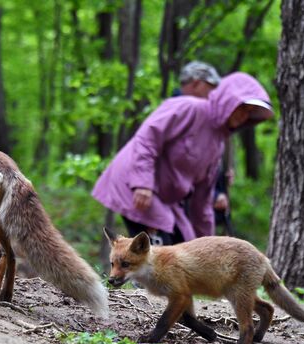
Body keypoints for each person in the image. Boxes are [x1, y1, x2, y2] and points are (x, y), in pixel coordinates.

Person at [92, 72, 273, 245]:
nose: (243, 116)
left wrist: (208, 245)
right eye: (241, 107)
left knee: (187, 243)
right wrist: (142, 184)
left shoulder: (218, 143)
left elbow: (202, 200)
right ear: (227, 100)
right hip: (135, 182)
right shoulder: (189, 108)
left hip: (166, 198)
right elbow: (147, 140)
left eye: (249, 112)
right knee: (162, 255)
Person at [177, 61, 235, 235]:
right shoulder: (182, 111)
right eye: (210, 88)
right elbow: (188, 161)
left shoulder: (205, 112)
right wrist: (216, 193)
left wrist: (221, 184)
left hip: (197, 199)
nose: (213, 94)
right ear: (196, 83)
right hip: (180, 200)